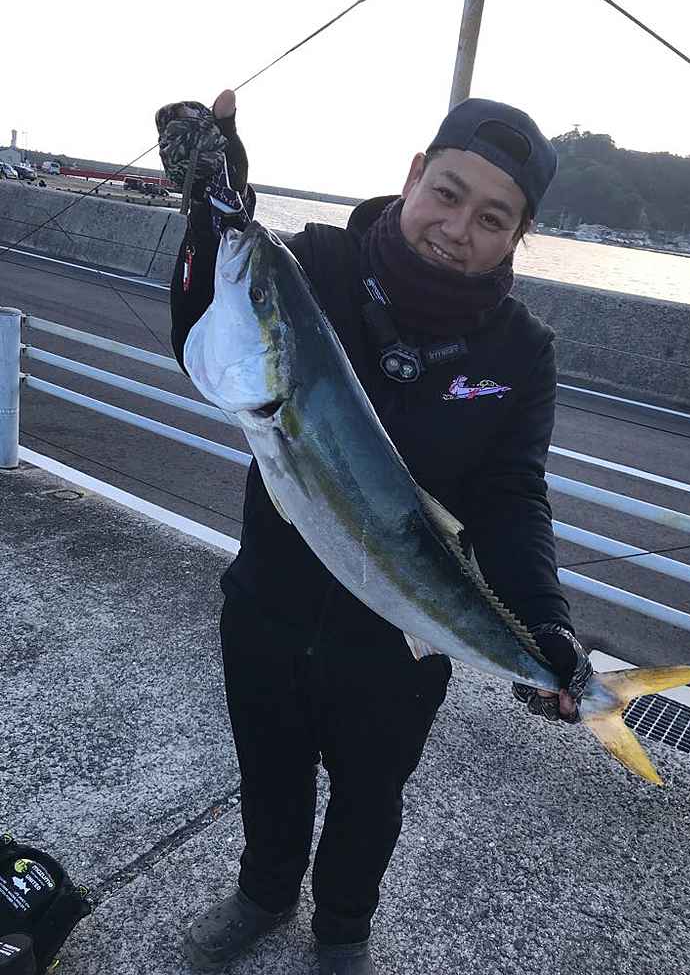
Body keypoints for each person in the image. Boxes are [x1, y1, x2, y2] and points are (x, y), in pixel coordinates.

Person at [163, 91, 593, 974]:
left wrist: (543, 626)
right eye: (447, 193)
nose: (456, 229)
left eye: (492, 218)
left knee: (371, 797)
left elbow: (512, 496)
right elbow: (210, 327)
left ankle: (343, 932)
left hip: (401, 646)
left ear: (520, 235)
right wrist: (212, 209)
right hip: (269, 607)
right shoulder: (316, 264)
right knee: (268, 770)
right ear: (413, 175)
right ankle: (263, 895)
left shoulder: (521, 351)